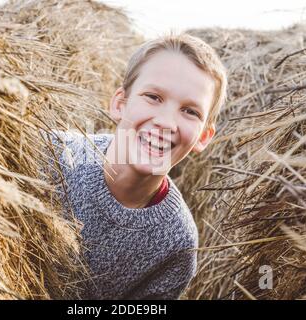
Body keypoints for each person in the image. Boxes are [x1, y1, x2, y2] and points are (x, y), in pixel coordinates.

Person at [43, 31, 227, 299]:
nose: (165, 122)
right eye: (153, 97)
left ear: (203, 137)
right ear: (120, 104)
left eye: (190, 111)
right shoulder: (50, 154)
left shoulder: (178, 243)